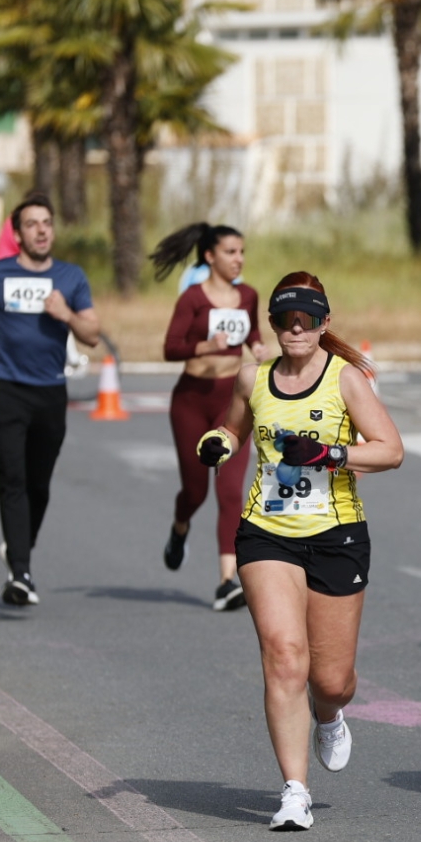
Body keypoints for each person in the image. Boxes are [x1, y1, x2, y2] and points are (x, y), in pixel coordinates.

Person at [197, 272, 404, 831]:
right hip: (267, 532)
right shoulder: (253, 379)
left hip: (336, 535)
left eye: (307, 319)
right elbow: (234, 428)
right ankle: (293, 791)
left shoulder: (346, 381)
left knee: (331, 679)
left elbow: (390, 451)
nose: (296, 328)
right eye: (286, 318)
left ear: (323, 324)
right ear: (273, 323)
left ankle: (330, 715)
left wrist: (333, 453)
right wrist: (220, 441)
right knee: (285, 655)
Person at [0, 195, 102, 607]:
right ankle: (20, 573)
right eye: (32, 224)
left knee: (39, 484)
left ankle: (18, 545)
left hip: (50, 392)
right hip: (5, 387)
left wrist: (66, 315)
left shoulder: (70, 277)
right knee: (12, 479)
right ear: (17, 234)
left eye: (47, 223)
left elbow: (92, 333)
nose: (42, 230)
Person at [151, 222, 270, 611]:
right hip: (191, 400)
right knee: (196, 491)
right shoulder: (192, 299)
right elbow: (171, 348)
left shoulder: (249, 295)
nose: (238, 259)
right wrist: (206, 345)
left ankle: (226, 580)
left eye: (242, 252)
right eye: (231, 252)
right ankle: (179, 527)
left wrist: (258, 347)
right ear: (210, 256)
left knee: (231, 491)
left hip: (231, 401)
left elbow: (251, 332)